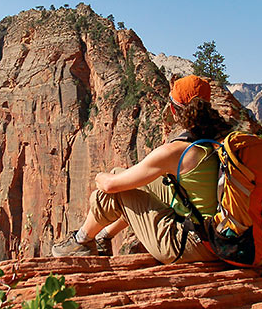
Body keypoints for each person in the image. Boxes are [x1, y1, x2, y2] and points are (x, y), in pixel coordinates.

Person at [51, 75, 234, 264]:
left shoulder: (176, 151)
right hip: (220, 237)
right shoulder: (219, 140)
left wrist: (99, 176)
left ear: (173, 109)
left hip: (191, 245)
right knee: (129, 179)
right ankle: (102, 237)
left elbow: (109, 186)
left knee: (110, 190)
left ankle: (81, 242)